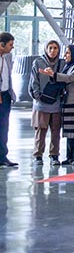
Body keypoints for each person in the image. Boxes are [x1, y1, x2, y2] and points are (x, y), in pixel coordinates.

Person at [44, 45, 74, 166]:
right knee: (70, 130)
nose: (65, 55)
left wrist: (53, 75)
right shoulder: (71, 65)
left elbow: (71, 78)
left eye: (68, 53)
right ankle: (70, 157)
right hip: (71, 102)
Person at [29, 40, 63, 164]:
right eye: (50, 48)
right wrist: (38, 96)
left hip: (56, 103)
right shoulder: (38, 62)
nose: (52, 51)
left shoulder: (62, 63)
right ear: (46, 49)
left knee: (56, 131)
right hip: (41, 104)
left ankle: (54, 155)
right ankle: (38, 155)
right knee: (40, 130)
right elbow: (34, 81)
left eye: (55, 48)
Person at [0, 32, 15, 168]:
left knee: (4, 128)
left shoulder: (8, 57)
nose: (12, 47)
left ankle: (2, 157)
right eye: (10, 45)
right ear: (1, 45)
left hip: (5, 96)